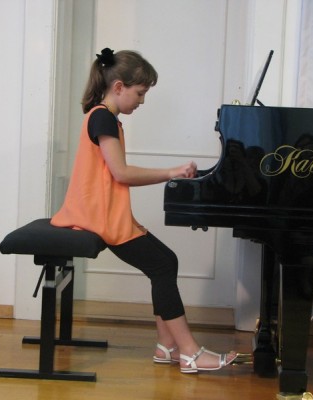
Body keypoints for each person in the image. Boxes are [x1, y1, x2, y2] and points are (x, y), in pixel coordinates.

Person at [51, 48, 236, 374]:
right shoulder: (102, 117)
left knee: (166, 262)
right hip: (98, 218)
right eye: (140, 92)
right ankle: (189, 352)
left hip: (105, 213)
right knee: (162, 265)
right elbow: (121, 173)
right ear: (118, 86)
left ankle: (167, 346)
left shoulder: (105, 117)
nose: (143, 100)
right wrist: (172, 172)